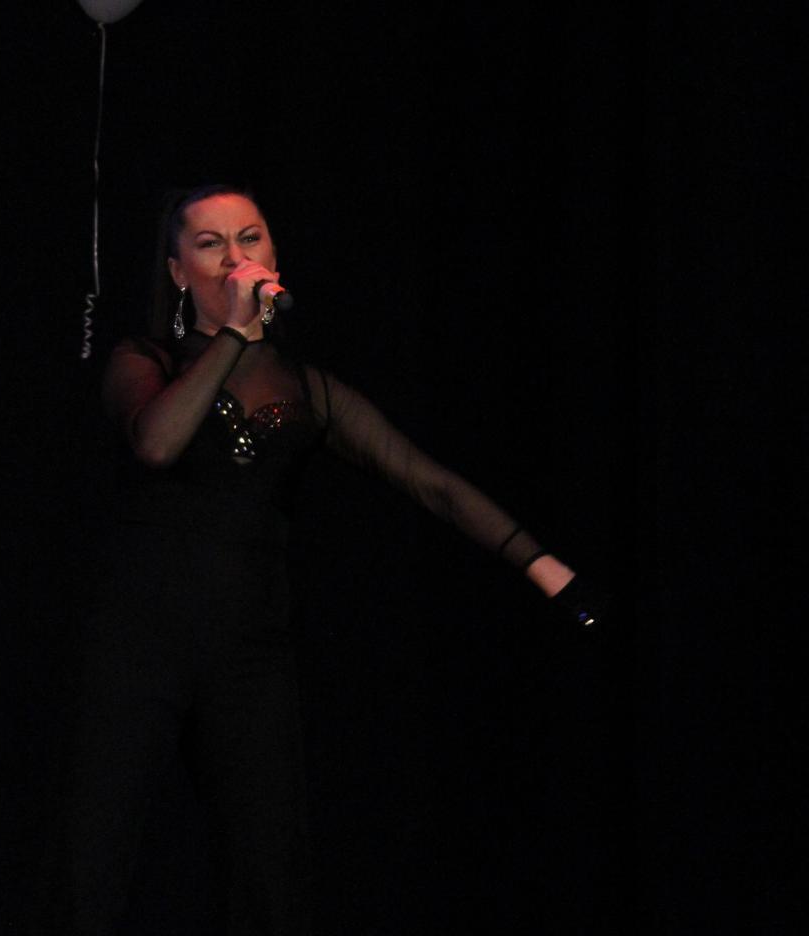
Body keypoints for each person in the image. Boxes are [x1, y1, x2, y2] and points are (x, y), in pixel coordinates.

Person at [51, 183, 601, 935]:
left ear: (274, 255)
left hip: (248, 651)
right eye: (211, 244)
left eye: (250, 238)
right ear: (178, 272)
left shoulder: (307, 388)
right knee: (96, 858)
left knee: (270, 868)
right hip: (138, 643)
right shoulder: (142, 359)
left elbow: (430, 483)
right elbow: (157, 442)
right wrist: (234, 334)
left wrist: (546, 568)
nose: (235, 257)